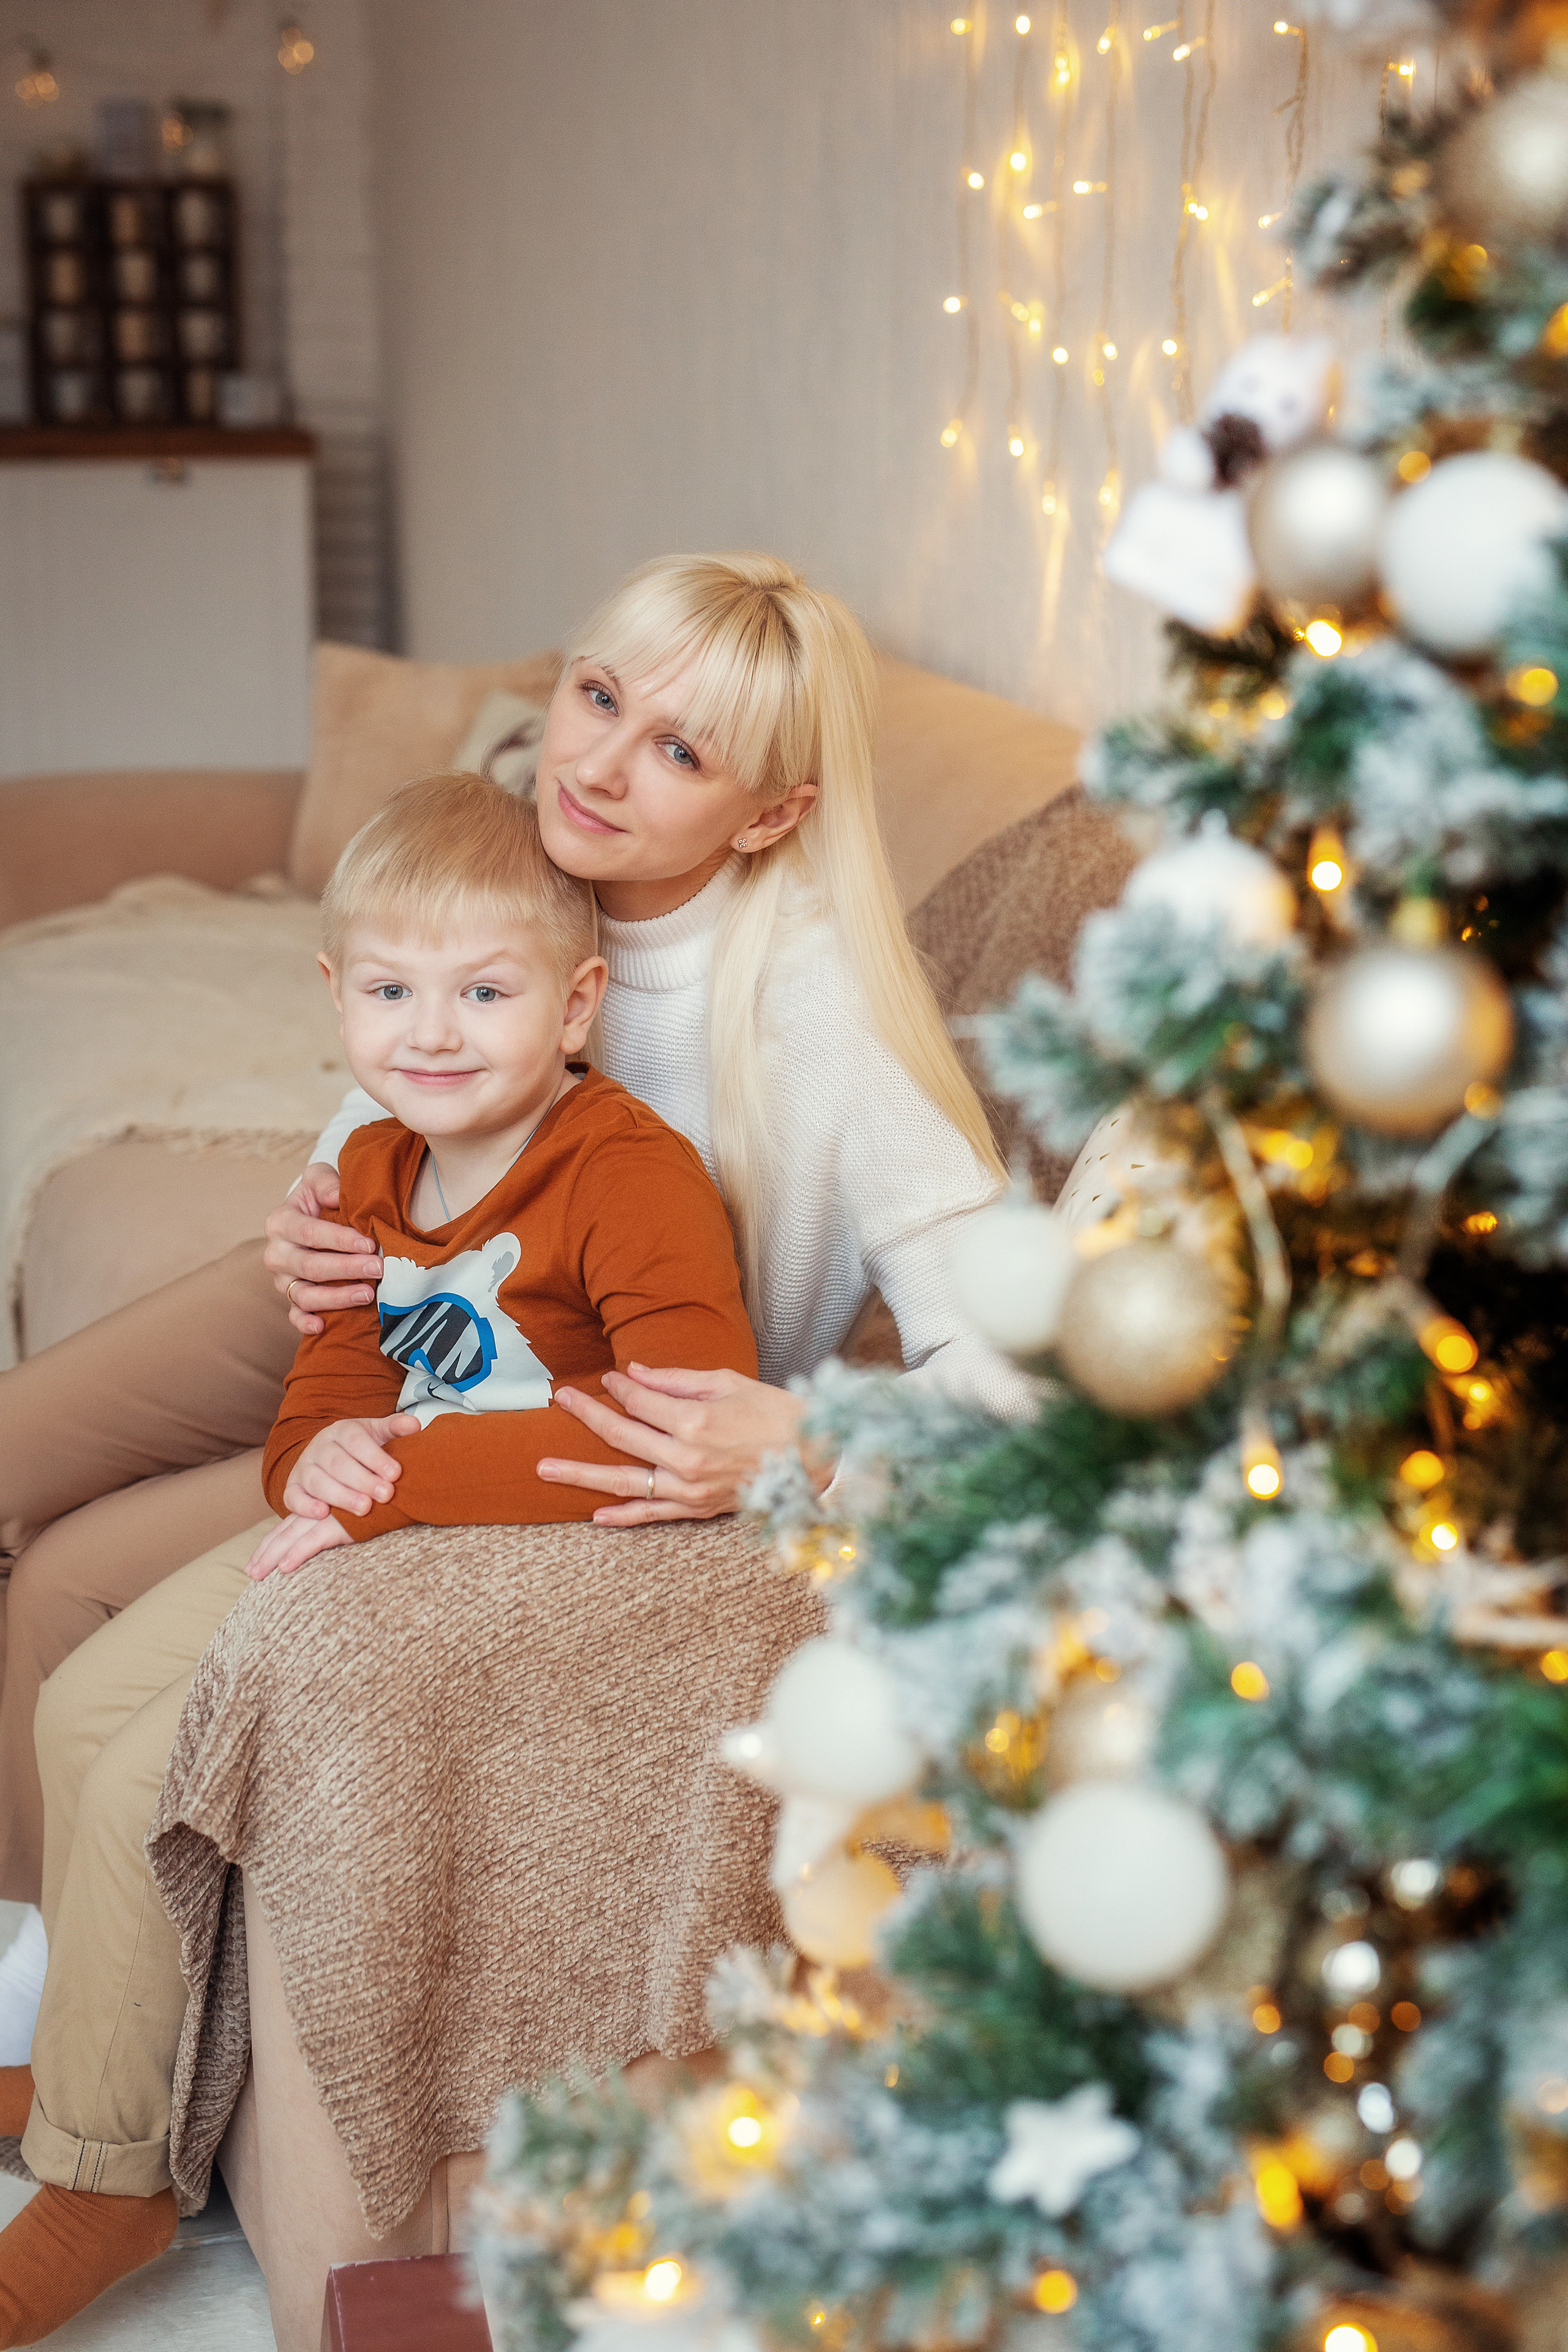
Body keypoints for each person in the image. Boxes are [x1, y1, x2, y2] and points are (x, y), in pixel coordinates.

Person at [0, 551, 1024, 2337]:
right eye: (597, 696)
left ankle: (96, 2127)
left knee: (90, 1595)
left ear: (772, 811)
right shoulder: (535, 857)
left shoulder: (812, 1017)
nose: (603, 764)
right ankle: (60, 2027)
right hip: (376, 1298)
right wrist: (321, 1222)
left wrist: (806, 1428)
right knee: (36, 1503)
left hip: (519, 1405)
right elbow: (388, 1071)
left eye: (679, 753)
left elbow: (1011, 1365)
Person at [0, 766, 761, 2342]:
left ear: (574, 1005)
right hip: (377, 1519)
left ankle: (107, 2177)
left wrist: (403, 1470)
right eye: (394, 992)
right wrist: (323, 1460)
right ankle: (101, 2061)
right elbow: (329, 1398)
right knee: (78, 1702)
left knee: (157, 1766)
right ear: (336, 998)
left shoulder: (623, 1172)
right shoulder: (372, 1172)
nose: (433, 1032)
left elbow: (674, 1421)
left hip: (519, 1543)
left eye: (485, 991)